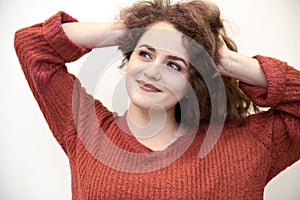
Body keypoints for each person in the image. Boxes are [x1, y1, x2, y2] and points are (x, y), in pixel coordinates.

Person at [14, 0, 299, 199]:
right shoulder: (87, 130)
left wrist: (226, 62)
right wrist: (130, 30)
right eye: (146, 53)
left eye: (174, 65)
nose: (153, 71)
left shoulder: (252, 146)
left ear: (193, 82)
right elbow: (32, 45)